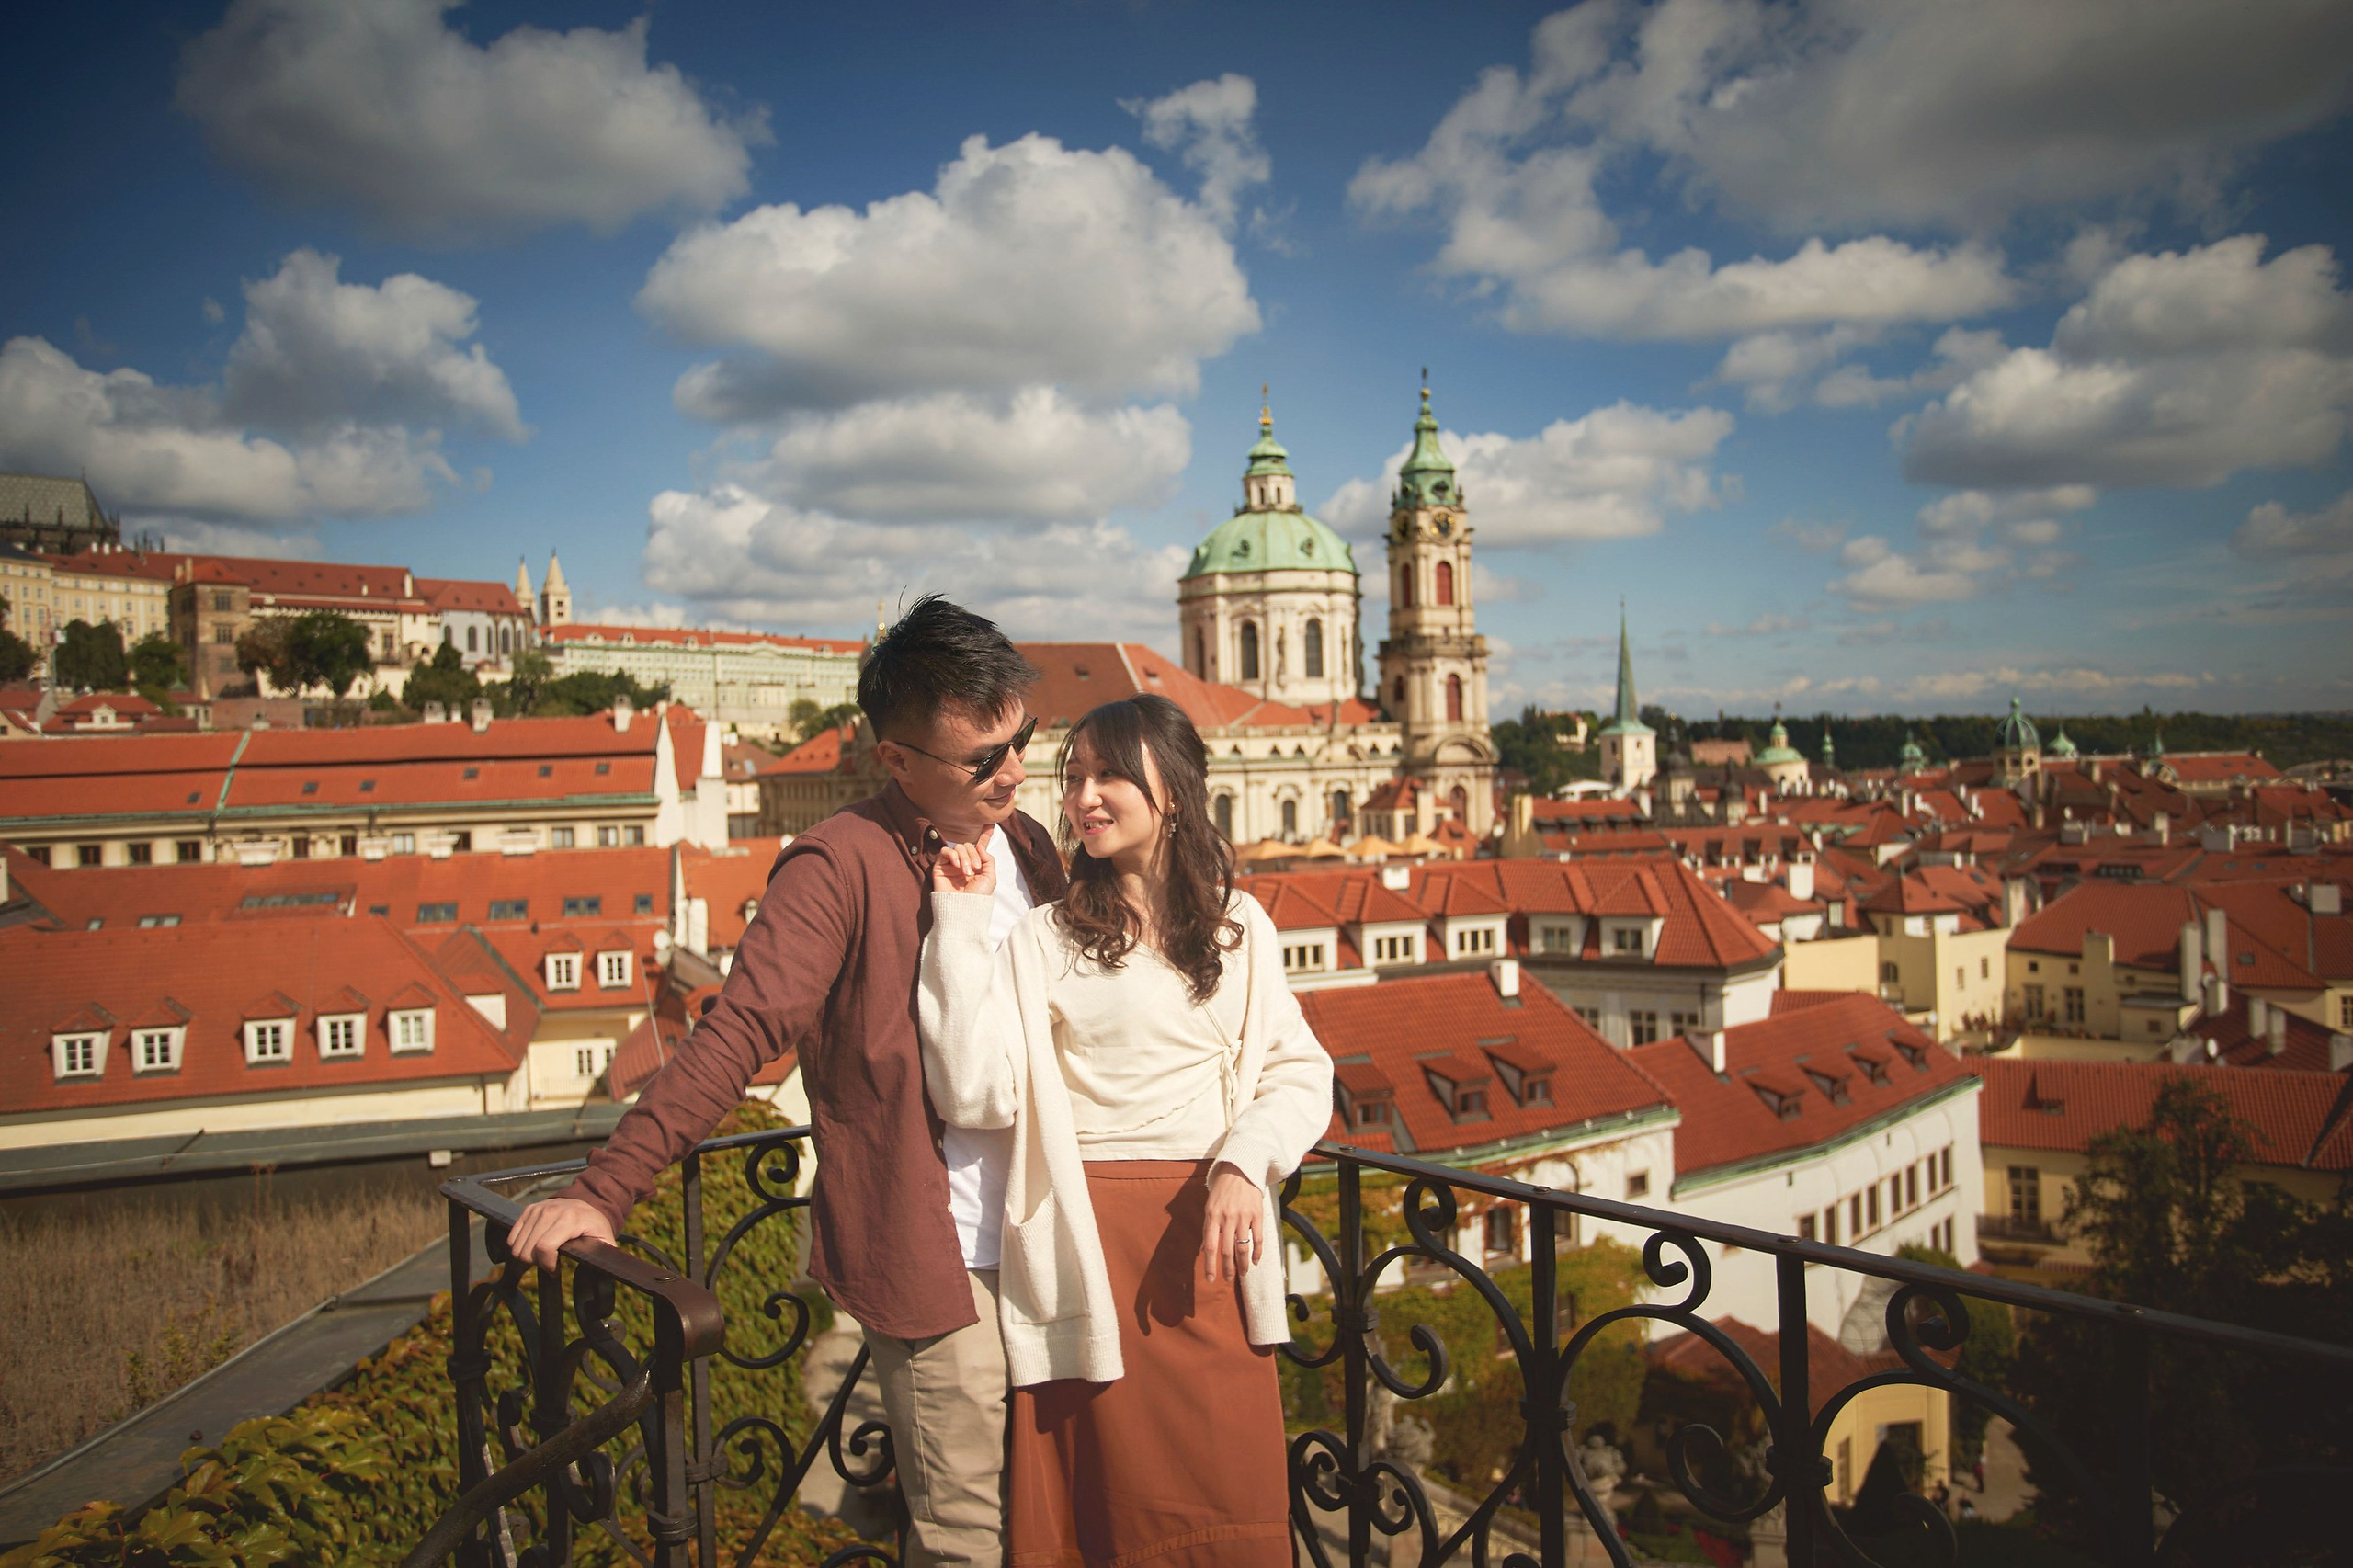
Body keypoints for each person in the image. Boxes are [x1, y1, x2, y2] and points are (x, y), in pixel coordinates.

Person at [506, 596, 1063, 1568]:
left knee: (1055, 1512)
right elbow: (740, 1032)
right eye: (982, 758)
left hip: (1051, 1232)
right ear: (894, 758)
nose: (1012, 772)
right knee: (968, 1531)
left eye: (1023, 739)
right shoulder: (835, 863)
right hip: (942, 1254)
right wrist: (604, 1188)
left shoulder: (1023, 842)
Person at [920, 694, 1333, 1567]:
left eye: (1110, 774)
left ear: (1173, 791)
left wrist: (1243, 1163)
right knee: (1111, 1517)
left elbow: (1300, 1074)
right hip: (1094, 1249)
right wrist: (959, 928)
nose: (1084, 798)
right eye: (1074, 779)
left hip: (1216, 1248)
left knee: (1231, 1503)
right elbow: (976, 1094)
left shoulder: (1242, 925)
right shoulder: (1043, 938)